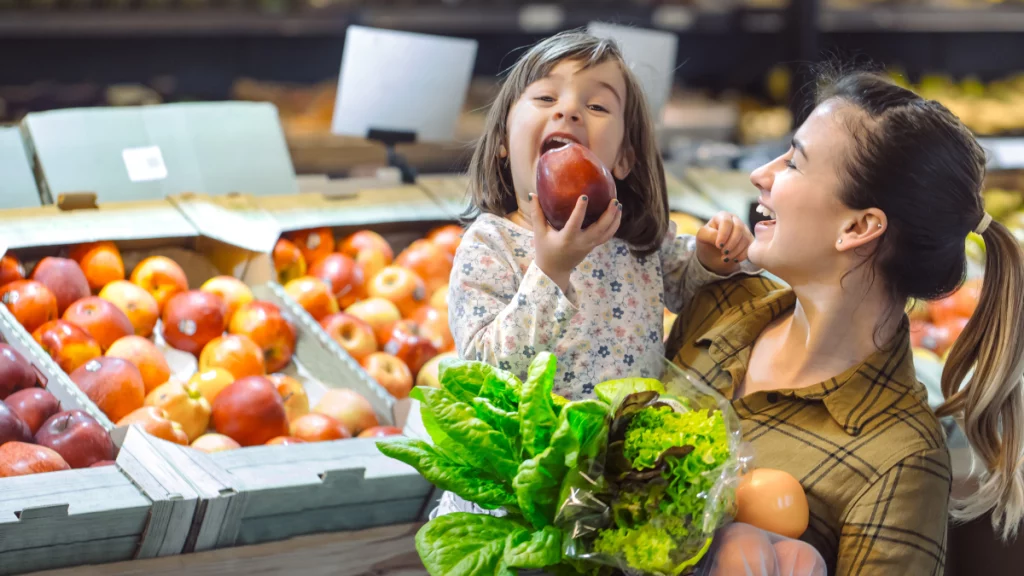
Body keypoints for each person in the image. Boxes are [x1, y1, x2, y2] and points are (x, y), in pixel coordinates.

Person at [667, 69, 1024, 575]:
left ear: (858, 227)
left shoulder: (900, 463)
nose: (761, 174)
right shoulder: (721, 307)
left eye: (794, 162)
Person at [433, 30, 756, 517]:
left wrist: (712, 258)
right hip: (523, 497)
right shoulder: (489, 246)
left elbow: (688, 287)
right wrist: (550, 270)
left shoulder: (635, 239)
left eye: (599, 107)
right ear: (502, 142)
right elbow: (486, 372)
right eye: (545, 97)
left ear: (623, 158)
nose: (568, 111)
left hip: (618, 489)